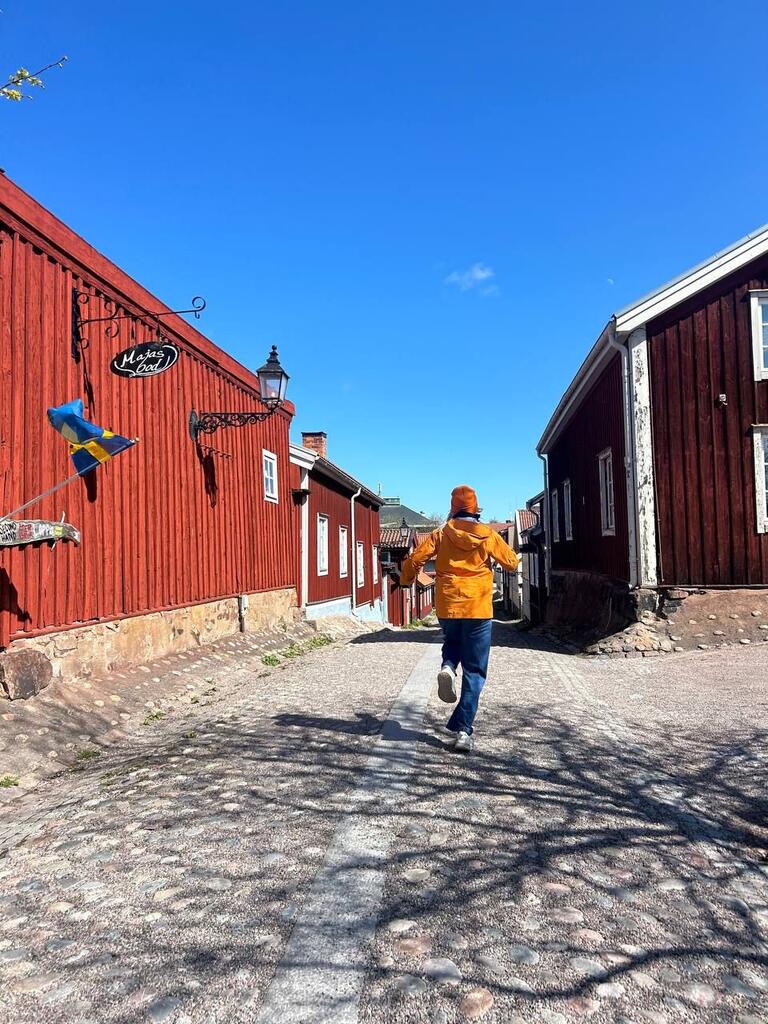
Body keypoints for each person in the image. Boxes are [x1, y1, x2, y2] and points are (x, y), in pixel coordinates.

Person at [399, 485, 519, 752]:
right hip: (478, 607)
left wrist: (406, 578)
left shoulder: (441, 533)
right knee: (475, 670)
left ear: (453, 508)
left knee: (452, 641)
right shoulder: (487, 534)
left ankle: (448, 667)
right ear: (476, 509)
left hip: (448, 603)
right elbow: (511, 562)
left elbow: (417, 558)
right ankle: (464, 731)